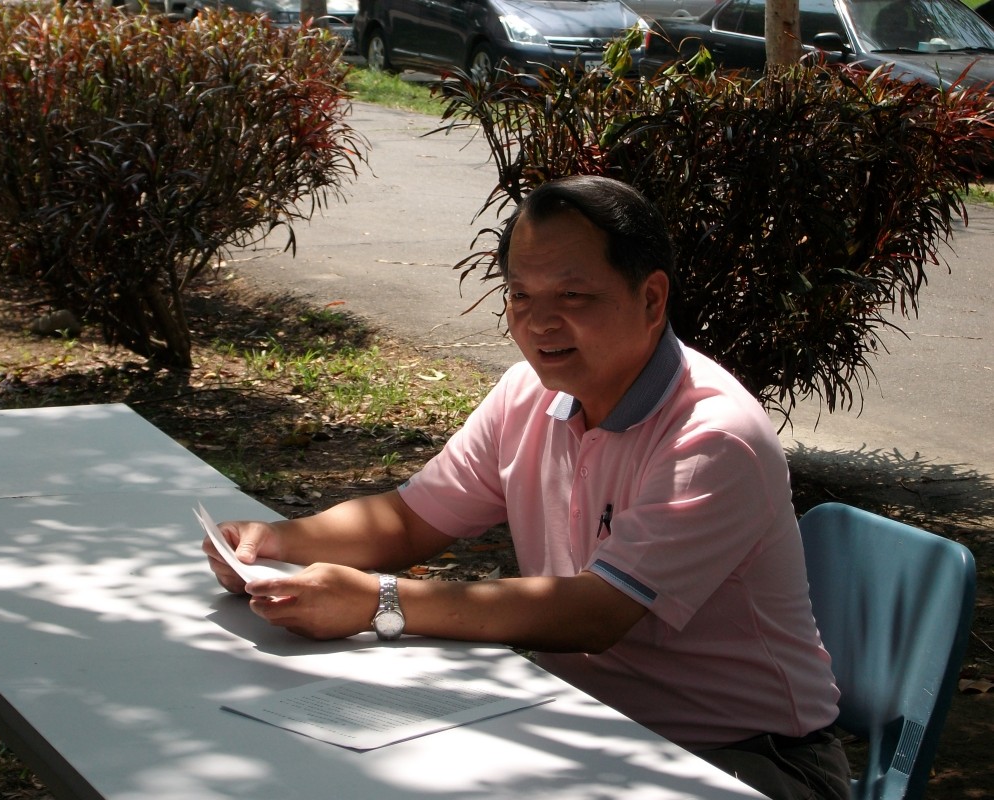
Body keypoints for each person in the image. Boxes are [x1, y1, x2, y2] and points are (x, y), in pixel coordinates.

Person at [203, 175, 851, 800]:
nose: (539, 323)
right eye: (520, 295)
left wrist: (379, 602)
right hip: (584, 723)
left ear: (651, 299)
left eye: (573, 295)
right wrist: (273, 543)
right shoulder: (529, 395)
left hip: (745, 759)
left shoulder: (712, 436)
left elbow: (597, 613)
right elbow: (408, 519)